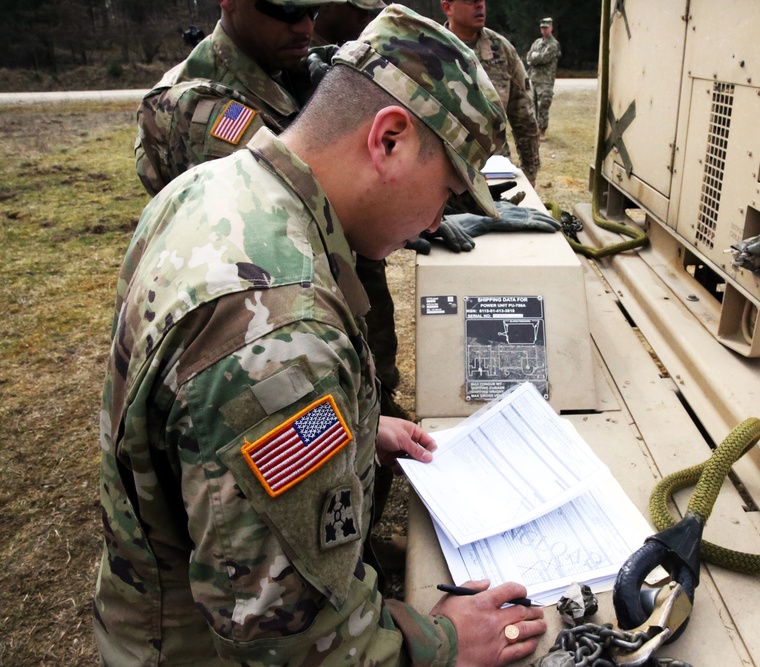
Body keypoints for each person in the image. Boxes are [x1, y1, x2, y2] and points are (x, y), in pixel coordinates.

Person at [93, 5, 547, 665]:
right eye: (445, 192)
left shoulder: (216, 188)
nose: (430, 224)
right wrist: (442, 642)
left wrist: (357, 426)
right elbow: (290, 643)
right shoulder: (285, 330)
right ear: (388, 139)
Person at [133, 0, 408, 577]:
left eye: (313, 9)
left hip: (338, 302)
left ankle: (346, 555)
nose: (304, 26)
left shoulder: (299, 69)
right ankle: (331, 568)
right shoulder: (198, 107)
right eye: (284, 10)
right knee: (289, 510)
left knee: (352, 438)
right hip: (273, 323)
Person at [441, 0, 540, 185]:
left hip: (494, 173)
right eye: (471, 1)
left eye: (481, 1)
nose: (479, 5)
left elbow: (524, 118)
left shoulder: (502, 50)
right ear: (448, 7)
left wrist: (529, 174)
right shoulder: (431, 47)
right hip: (442, 173)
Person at [526, 17, 560, 141]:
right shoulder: (537, 42)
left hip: (546, 80)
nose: (544, 30)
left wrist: (535, 57)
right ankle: (534, 130)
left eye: (546, 27)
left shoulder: (553, 44)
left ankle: (542, 131)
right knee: (532, 106)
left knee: (543, 106)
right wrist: (534, 57)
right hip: (534, 78)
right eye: (542, 28)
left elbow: (543, 59)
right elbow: (529, 57)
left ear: (551, 28)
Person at [312, 0, 385, 46]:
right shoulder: (305, 55)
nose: (365, 18)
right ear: (327, 4)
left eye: (368, 12)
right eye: (358, 9)